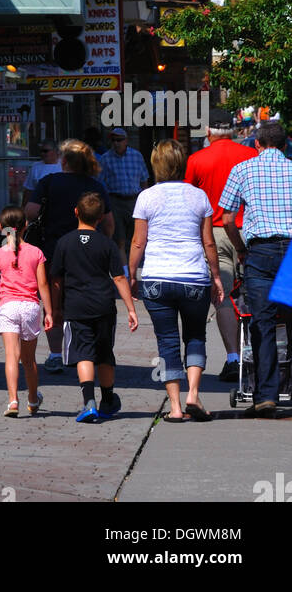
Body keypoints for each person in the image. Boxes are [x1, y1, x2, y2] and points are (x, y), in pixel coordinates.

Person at [129, 139, 223, 422]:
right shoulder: (199, 196)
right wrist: (216, 276)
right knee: (195, 335)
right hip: (194, 277)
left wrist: (131, 273)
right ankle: (193, 394)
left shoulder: (146, 197)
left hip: (157, 277)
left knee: (167, 341)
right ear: (182, 164)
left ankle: (175, 407)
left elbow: (138, 241)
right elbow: (208, 243)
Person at [220, 120, 292, 417]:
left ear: (257, 144)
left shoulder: (243, 170)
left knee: (261, 324)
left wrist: (239, 248)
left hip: (260, 253)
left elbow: (225, 218)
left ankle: (266, 396)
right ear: (285, 145)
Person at [25, 139, 114, 373]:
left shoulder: (49, 182)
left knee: (53, 305)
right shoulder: (95, 186)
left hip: (52, 251)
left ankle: (55, 354)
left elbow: (31, 212)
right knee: (84, 302)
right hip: (88, 255)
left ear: (64, 161)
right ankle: (84, 352)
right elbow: (109, 223)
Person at [48, 192, 138, 423]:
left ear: (76, 213)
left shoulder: (64, 243)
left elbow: (56, 280)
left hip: (76, 307)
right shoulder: (107, 244)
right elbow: (118, 278)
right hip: (104, 306)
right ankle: (108, 399)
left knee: (83, 353)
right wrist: (130, 308)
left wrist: (54, 308)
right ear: (100, 218)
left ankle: (89, 402)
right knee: (105, 354)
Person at [185, 119, 256, 381]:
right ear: (235, 132)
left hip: (213, 233)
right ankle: (257, 355)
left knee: (222, 293)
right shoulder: (251, 154)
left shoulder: (197, 159)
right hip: (248, 230)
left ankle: (233, 358)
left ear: (208, 133)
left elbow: (190, 198)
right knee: (256, 294)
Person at [0, 206, 53, 416]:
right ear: (25, 226)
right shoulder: (36, 253)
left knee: (11, 356)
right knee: (29, 359)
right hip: (30, 307)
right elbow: (43, 284)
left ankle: (13, 400)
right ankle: (33, 400)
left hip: (8, 305)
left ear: (1, 228)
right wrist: (49, 311)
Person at [98, 129, 150, 276]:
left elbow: (144, 179)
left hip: (135, 200)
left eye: (119, 140)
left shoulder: (136, 156)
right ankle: (126, 274)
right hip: (115, 200)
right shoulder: (105, 158)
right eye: (113, 140)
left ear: (126, 141)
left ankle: (135, 269)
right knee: (119, 239)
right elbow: (101, 184)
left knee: (137, 238)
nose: (116, 143)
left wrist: (145, 200)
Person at [20, 140, 62, 207]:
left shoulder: (64, 165)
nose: (42, 154)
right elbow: (29, 190)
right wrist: (23, 208)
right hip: (40, 207)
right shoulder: (35, 166)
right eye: (41, 151)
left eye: (45, 151)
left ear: (55, 151)